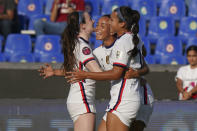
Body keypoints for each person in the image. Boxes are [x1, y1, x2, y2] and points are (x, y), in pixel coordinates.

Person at [66, 6, 143, 131]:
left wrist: (85, 75)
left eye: (111, 21)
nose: (96, 27)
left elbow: (115, 73)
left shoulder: (123, 42)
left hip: (124, 99)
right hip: (119, 99)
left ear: (121, 24)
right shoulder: (127, 40)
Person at [39, 11, 103, 131]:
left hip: (78, 99)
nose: (93, 22)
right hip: (83, 100)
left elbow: (73, 70)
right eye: (90, 20)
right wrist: (119, 71)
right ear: (82, 26)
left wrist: (55, 72)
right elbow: (98, 73)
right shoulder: (84, 47)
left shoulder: (76, 43)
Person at [92, 14, 154, 131]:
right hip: (119, 97)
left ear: (111, 30)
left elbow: (144, 65)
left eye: (102, 26)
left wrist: (136, 73)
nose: (97, 29)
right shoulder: (97, 52)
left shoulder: (126, 42)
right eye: (97, 25)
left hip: (140, 96)